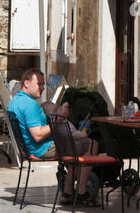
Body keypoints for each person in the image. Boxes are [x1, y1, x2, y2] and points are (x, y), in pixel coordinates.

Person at [8, 69, 96, 203]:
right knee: (90, 144)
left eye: (43, 84)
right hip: (42, 149)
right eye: (39, 84)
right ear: (26, 83)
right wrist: (59, 120)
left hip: (29, 148)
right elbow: (37, 135)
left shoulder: (15, 101)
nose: (42, 88)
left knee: (75, 143)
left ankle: (67, 193)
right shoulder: (29, 105)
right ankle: (82, 192)